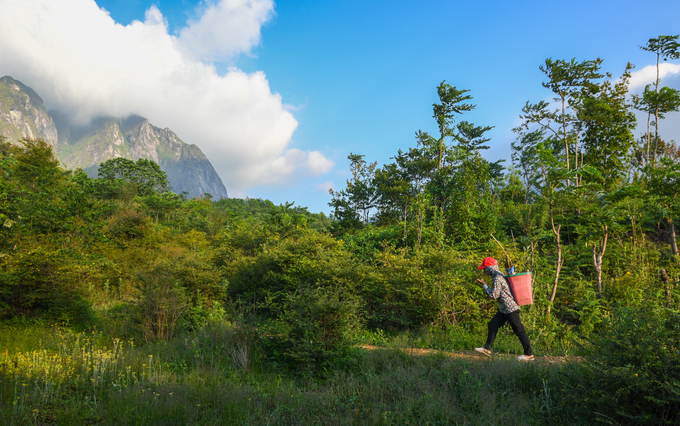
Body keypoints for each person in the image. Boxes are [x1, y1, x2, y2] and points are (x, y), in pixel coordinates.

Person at [474, 256, 534, 361]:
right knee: (492, 324)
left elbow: (493, 295)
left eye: (485, 268)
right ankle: (487, 349)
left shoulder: (497, 278)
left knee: (519, 330)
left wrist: (485, 286)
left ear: (490, 268)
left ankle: (529, 354)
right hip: (504, 309)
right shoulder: (499, 275)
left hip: (510, 309)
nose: (484, 271)